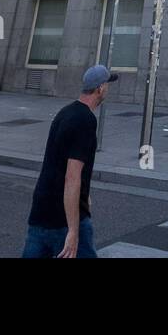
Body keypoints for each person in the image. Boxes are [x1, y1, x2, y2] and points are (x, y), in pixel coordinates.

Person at [22, 64, 115, 259]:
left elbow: (57, 160)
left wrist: (85, 194)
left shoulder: (65, 112)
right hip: (63, 218)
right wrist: (73, 231)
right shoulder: (86, 121)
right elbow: (71, 177)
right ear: (100, 88)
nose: (108, 89)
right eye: (107, 85)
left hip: (40, 211)